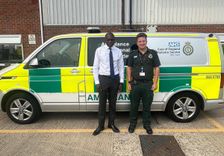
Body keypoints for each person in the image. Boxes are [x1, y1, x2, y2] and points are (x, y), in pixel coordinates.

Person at [127, 33, 160, 134]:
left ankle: (147, 125)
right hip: (135, 84)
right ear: (137, 43)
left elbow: (157, 68)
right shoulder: (132, 54)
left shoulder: (153, 53)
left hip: (148, 84)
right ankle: (132, 125)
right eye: (139, 41)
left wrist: (155, 83)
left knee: (147, 107)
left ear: (146, 41)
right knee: (133, 106)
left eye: (143, 41)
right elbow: (129, 68)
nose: (142, 43)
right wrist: (129, 82)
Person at [92, 32, 124, 136]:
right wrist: (97, 82)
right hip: (103, 79)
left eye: (112, 40)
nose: (110, 41)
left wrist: (121, 82)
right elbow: (95, 67)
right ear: (105, 40)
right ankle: (100, 126)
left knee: (113, 104)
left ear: (114, 40)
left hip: (115, 79)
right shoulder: (99, 51)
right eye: (108, 40)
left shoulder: (118, 51)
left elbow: (121, 67)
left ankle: (111, 124)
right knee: (102, 104)